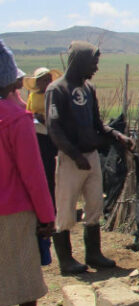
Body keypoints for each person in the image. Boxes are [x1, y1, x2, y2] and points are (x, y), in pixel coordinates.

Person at [45, 41, 134, 274]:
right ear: (80, 62)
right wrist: (75, 155)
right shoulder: (57, 90)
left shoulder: (88, 89)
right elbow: (54, 129)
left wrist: (117, 135)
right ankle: (66, 261)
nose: (95, 68)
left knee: (94, 205)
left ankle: (94, 254)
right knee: (65, 209)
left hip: (91, 157)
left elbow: (97, 124)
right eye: (93, 63)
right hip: (70, 160)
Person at [0, 39, 56, 306]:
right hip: (14, 208)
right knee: (24, 267)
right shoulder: (16, 119)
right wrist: (47, 216)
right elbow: (33, 174)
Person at [23, 67, 61, 205]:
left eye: (48, 79)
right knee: (43, 170)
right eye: (43, 80)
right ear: (37, 83)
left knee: (53, 171)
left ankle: (54, 204)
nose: (46, 82)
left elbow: (58, 113)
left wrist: (46, 118)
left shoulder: (54, 95)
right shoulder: (33, 96)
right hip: (38, 136)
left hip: (52, 135)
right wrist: (35, 116)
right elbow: (28, 113)